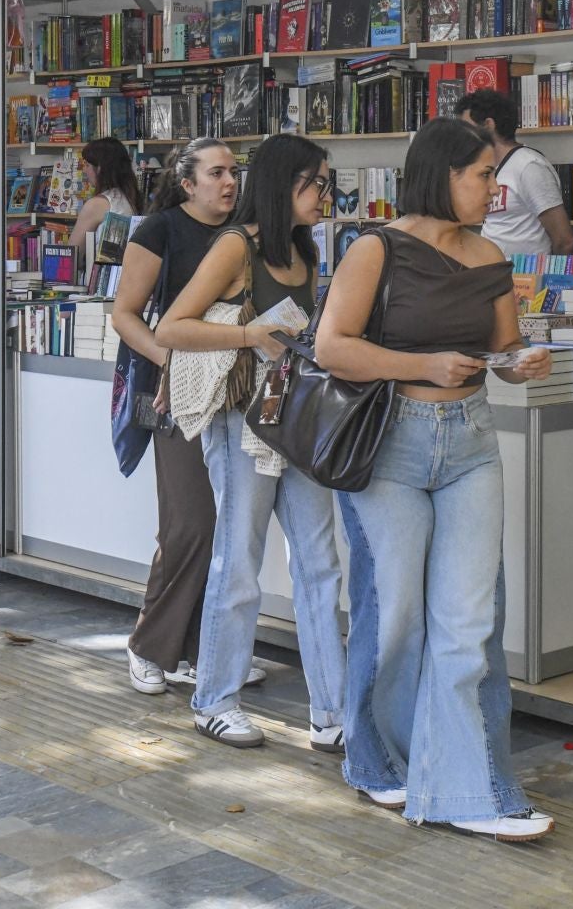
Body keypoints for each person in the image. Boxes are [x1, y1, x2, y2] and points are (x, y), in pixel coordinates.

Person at [314, 116, 556, 841]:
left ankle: (471, 787)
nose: (495, 187)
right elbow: (331, 347)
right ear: (441, 176)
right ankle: (379, 758)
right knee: (397, 617)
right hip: (389, 445)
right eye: (482, 175)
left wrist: (520, 361)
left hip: (471, 443)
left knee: (470, 620)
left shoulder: (488, 254)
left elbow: (503, 346)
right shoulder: (375, 249)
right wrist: (422, 366)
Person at [154, 134, 344, 752]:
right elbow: (173, 326)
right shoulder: (237, 245)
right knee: (239, 560)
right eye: (315, 183)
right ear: (285, 185)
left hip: (299, 421)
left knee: (319, 564)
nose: (325, 195)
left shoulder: (306, 250)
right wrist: (249, 336)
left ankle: (331, 712)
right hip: (243, 423)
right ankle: (214, 698)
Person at [112, 137, 251, 696]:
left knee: (226, 527)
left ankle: (198, 651)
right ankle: (149, 645)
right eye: (216, 172)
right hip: (175, 394)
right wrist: (172, 360)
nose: (229, 182)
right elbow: (123, 314)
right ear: (188, 182)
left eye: (234, 172)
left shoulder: (243, 231)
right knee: (188, 523)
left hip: (235, 393)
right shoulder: (159, 229)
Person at [456, 88, 573, 257]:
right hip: (495, 277)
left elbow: (565, 240)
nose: (463, 136)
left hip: (527, 279)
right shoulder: (485, 168)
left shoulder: (529, 166)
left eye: (468, 128)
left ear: (488, 125)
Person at [67, 137, 143, 255]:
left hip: (101, 272)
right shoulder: (131, 197)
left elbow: (72, 255)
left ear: (100, 168)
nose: (84, 170)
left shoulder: (97, 205)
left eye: (87, 165)